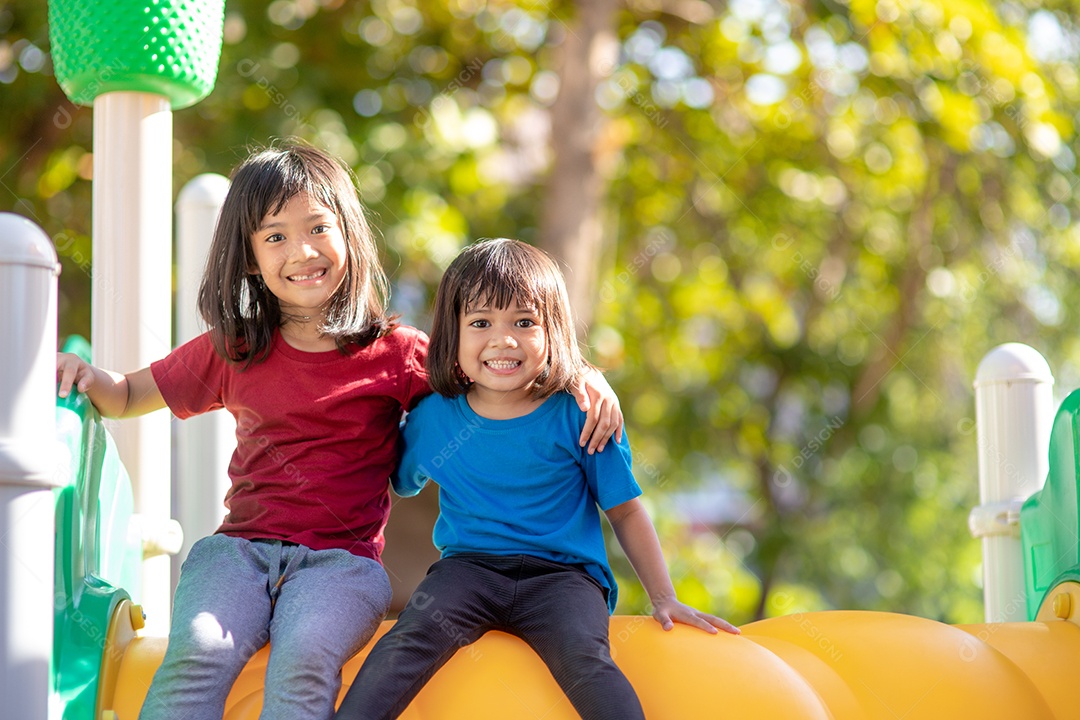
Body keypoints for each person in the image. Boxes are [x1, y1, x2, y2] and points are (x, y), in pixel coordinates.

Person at [55, 144, 622, 720]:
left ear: (348, 235)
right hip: (239, 553)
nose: (301, 251)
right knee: (199, 647)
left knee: (304, 657)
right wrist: (85, 375)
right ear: (249, 258)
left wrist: (585, 376)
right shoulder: (237, 347)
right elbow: (127, 395)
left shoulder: (398, 354)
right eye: (274, 236)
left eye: (318, 228)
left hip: (341, 564)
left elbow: (501, 374)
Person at [333, 238, 740, 720]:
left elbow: (626, 510)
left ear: (553, 333)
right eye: (481, 322)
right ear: (453, 336)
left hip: (564, 578)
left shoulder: (583, 414)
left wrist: (664, 597)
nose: (503, 340)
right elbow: (396, 480)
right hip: (469, 571)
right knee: (408, 639)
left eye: (524, 322)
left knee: (585, 661)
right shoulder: (434, 419)